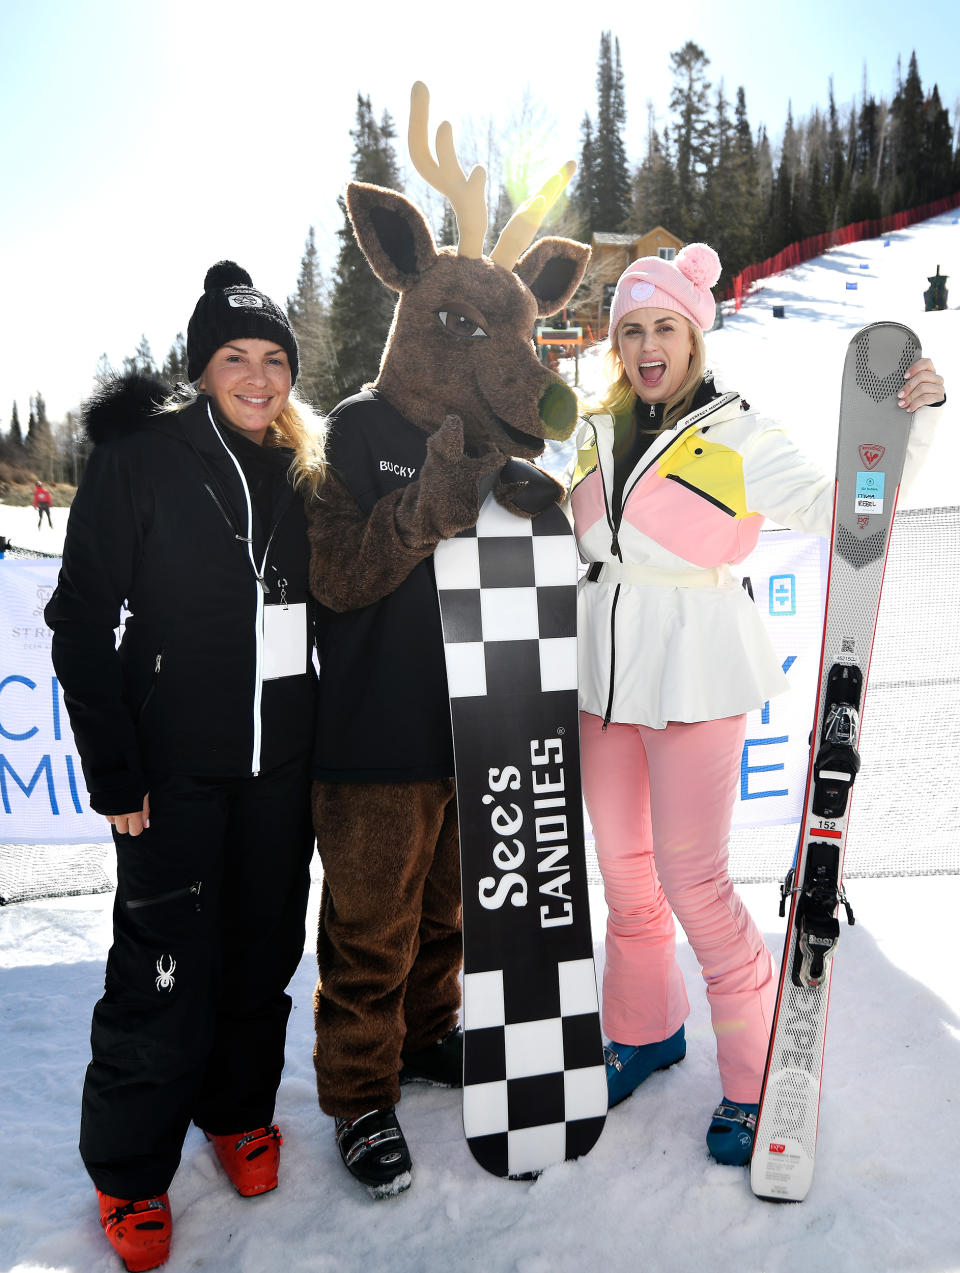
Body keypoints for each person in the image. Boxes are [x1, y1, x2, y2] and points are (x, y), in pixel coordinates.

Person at [567, 243, 945, 1166]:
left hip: (696, 670)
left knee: (694, 880)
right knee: (625, 876)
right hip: (601, 678)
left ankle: (756, 1069)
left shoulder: (736, 432)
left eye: (664, 326)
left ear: (695, 333)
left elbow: (844, 512)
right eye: (632, 329)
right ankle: (649, 1030)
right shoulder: (593, 429)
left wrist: (914, 429)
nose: (648, 345)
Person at [45, 261, 325, 1271]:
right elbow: (79, 619)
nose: (258, 377)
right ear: (203, 367)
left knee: (261, 952)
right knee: (162, 971)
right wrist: (115, 770)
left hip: (278, 769)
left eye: (275, 359)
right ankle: (129, 1172)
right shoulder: (146, 457)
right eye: (234, 357)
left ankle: (238, 1109)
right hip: (172, 770)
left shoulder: (301, 469)